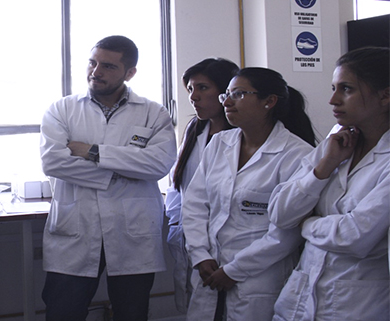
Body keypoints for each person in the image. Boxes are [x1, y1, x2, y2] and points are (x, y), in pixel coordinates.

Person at [39, 35, 177, 321]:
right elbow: (53, 162)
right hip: (76, 229)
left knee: (132, 312)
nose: (96, 72)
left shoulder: (154, 113)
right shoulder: (62, 110)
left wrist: (91, 152)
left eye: (108, 66)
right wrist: (124, 169)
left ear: (130, 73)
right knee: (63, 312)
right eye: (92, 62)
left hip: (132, 233)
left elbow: (158, 165)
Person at [182, 67, 317, 320]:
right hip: (209, 270)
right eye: (227, 95)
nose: (228, 102)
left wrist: (235, 269)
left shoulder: (297, 154)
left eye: (240, 94)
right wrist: (200, 255)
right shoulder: (220, 144)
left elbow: (287, 231)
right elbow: (195, 205)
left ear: (269, 101)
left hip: (260, 278)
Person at [270, 47, 390, 321]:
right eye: (334, 88)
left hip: (356, 305)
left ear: (385, 95)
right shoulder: (335, 145)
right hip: (299, 300)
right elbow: (279, 213)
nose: (333, 100)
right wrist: (323, 168)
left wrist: (307, 223)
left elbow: (355, 236)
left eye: (346, 89)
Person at [164, 57, 238, 313]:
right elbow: (179, 186)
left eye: (203, 88)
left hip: (229, 246)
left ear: (227, 91)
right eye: (190, 90)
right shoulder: (195, 129)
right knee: (191, 305)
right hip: (191, 241)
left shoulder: (243, 136)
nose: (194, 97)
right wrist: (177, 229)